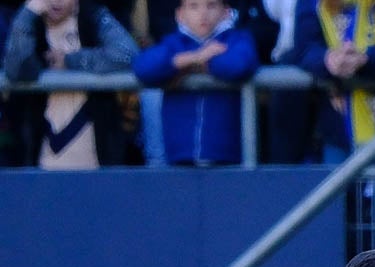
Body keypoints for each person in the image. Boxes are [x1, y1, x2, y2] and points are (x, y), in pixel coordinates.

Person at [2, 0, 138, 167]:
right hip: (39, 163)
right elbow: (16, 68)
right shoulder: (31, 21)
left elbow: (127, 54)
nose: (56, 1)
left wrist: (71, 60)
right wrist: (27, 14)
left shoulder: (92, 15)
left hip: (97, 162)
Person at [132, 0, 258, 165]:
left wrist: (196, 64)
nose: (203, 14)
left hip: (227, 159)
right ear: (180, 14)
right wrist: (194, 57)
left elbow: (239, 65)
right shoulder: (173, 43)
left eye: (211, 5)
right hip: (179, 159)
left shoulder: (238, 39)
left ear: (226, 12)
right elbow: (143, 68)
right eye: (193, 6)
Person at [291, 0, 375, 162]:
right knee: (337, 175)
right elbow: (304, 49)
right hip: (337, 123)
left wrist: (365, 60)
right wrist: (328, 59)